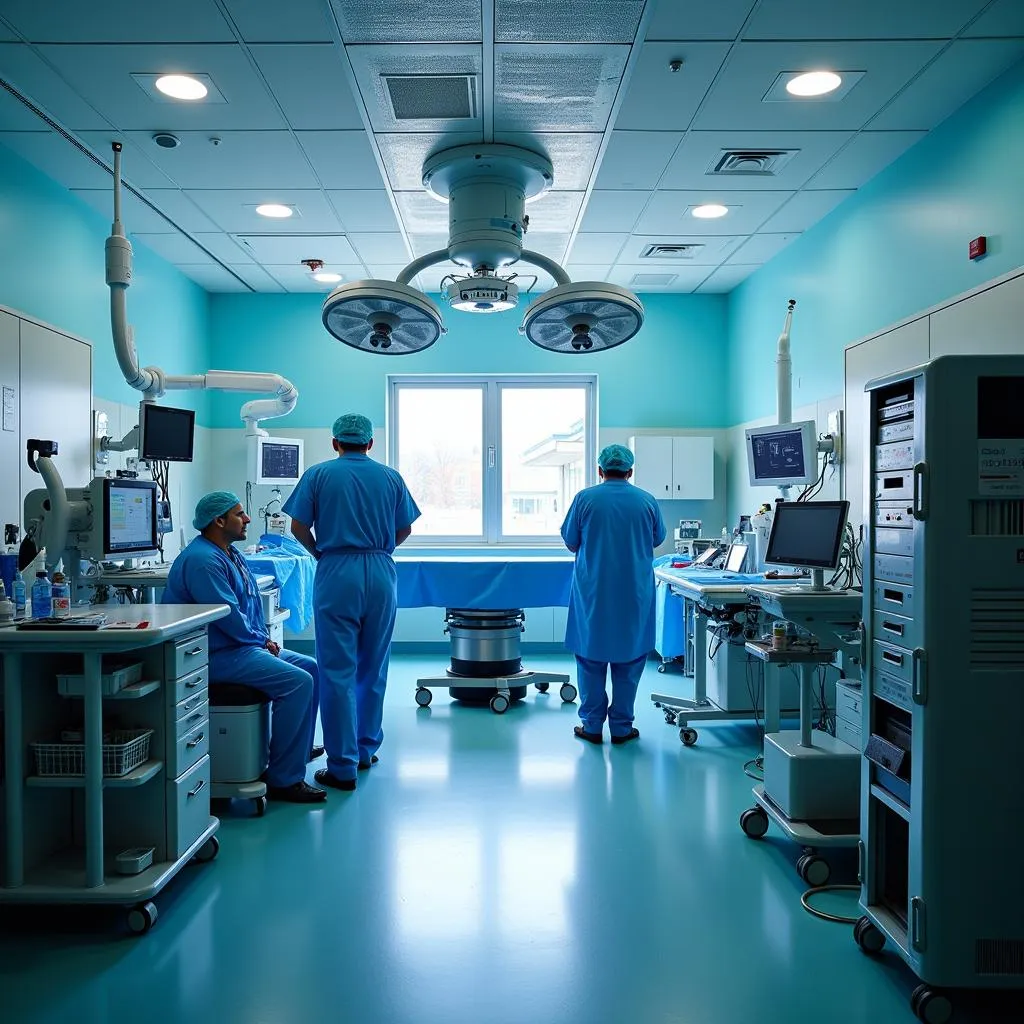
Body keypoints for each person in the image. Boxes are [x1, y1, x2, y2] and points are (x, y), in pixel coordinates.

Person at [283, 414, 420, 791]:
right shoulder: (390, 477)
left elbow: (297, 527)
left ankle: (341, 765)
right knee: (373, 667)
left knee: (336, 670)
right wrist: (380, 549)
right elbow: (405, 527)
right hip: (380, 571)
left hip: (336, 570)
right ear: (370, 444)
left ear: (334, 443)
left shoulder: (319, 474)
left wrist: (321, 554)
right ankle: (365, 750)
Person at [163, 491, 326, 804]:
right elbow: (228, 615)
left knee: (311, 667)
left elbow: (248, 605)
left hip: (239, 646)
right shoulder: (203, 561)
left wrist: (261, 637)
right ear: (219, 520)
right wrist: (261, 641)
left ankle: (297, 749)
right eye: (239, 514)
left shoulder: (228, 552)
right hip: (216, 654)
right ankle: (284, 780)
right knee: (298, 682)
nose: (248, 519)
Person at [560, 444, 666, 745]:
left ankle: (592, 726)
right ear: (630, 472)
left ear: (599, 470)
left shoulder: (585, 499)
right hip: (633, 592)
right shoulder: (646, 501)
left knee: (590, 659)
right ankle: (621, 727)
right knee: (629, 660)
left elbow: (570, 542)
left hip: (594, 591)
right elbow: (656, 539)